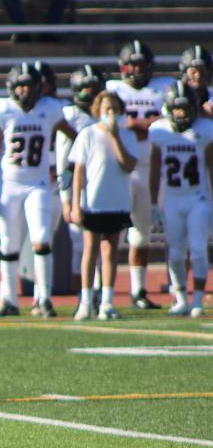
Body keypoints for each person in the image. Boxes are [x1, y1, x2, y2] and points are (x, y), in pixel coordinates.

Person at [0, 62, 77, 317]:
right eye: (20, 85)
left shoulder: (50, 109)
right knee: (9, 245)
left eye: (29, 85)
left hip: (38, 184)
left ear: (38, 87)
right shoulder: (2, 109)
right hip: (9, 184)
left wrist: (61, 166)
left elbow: (74, 137)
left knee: (42, 239)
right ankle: (8, 300)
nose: (25, 91)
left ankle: (44, 299)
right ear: (12, 88)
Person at [106, 39, 175, 308]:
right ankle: (104, 289)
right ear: (124, 67)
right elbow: (112, 119)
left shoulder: (163, 88)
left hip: (150, 171)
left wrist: (136, 123)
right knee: (110, 233)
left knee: (142, 233)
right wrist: (142, 124)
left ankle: (137, 291)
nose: (137, 69)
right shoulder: (113, 89)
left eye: (141, 64)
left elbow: (170, 118)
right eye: (133, 64)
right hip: (120, 171)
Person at [69, 91, 139, 320]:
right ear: (98, 110)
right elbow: (79, 171)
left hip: (117, 200)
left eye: (114, 109)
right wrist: (76, 204)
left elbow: (128, 165)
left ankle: (107, 302)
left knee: (110, 251)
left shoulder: (127, 136)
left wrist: (115, 137)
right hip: (94, 201)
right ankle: (86, 301)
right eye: (106, 109)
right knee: (90, 249)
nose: (110, 113)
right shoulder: (87, 134)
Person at [149, 82, 213, 315]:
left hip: (198, 197)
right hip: (173, 200)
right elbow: (155, 170)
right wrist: (154, 202)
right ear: (168, 108)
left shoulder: (205, 130)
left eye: (186, 108)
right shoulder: (159, 130)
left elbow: (211, 167)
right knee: (175, 253)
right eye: (177, 109)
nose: (182, 113)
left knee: (197, 249)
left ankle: (197, 299)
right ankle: (180, 299)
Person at [59, 64, 107, 278]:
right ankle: (84, 293)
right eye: (85, 88)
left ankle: (100, 292)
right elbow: (64, 163)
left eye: (93, 88)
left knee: (106, 241)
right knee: (81, 243)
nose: (89, 93)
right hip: (80, 187)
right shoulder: (69, 115)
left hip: (104, 185)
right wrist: (67, 199)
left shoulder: (107, 115)